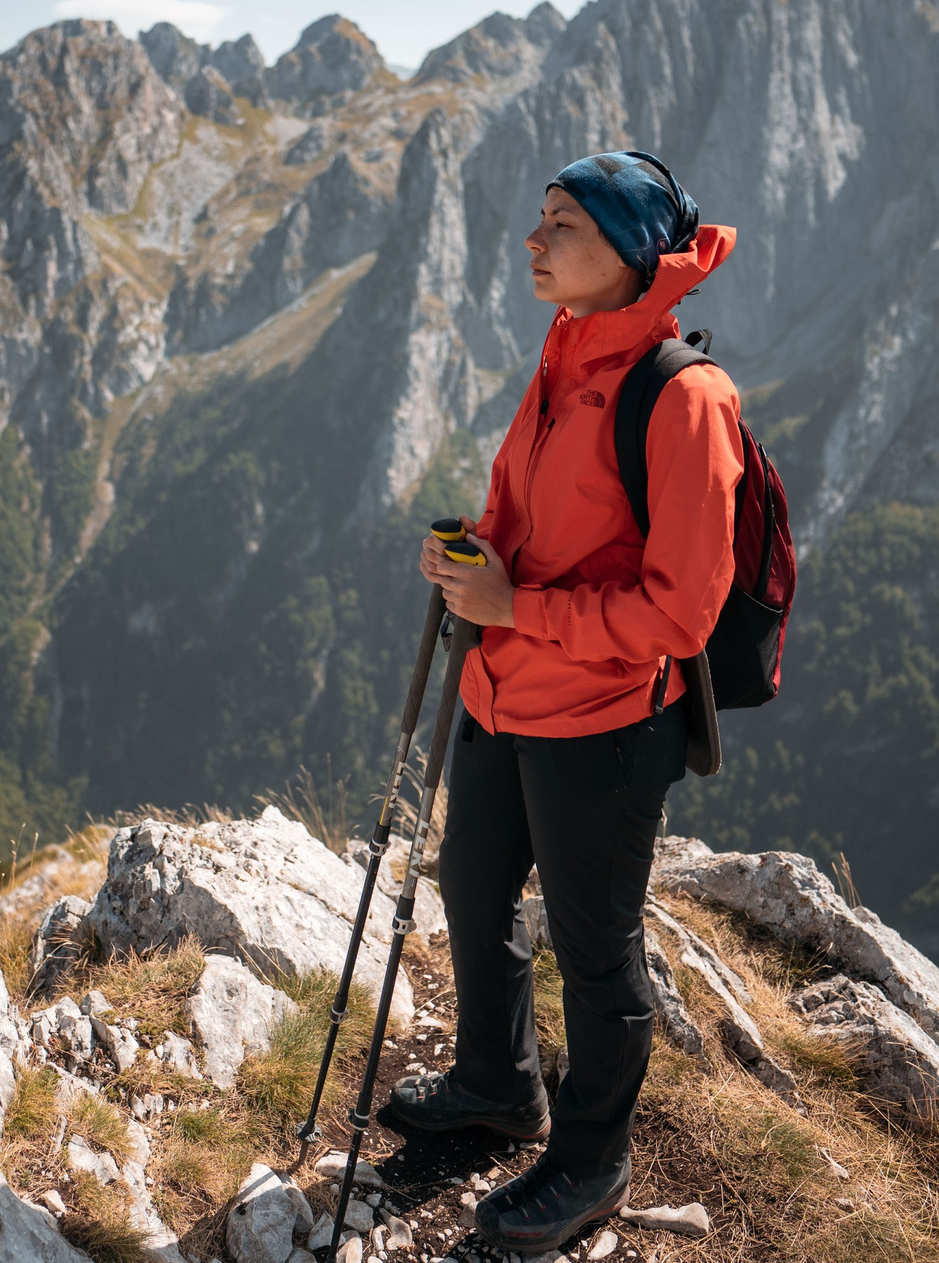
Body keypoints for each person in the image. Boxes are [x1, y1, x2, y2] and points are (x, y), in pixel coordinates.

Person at [387, 150, 744, 1255]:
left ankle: (592, 1165)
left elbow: (680, 617)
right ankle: (498, 1088)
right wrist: (477, 557)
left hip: (604, 724)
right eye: (539, 221)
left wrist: (514, 606)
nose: (535, 243)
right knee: (474, 885)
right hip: (501, 689)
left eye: (563, 227)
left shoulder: (685, 399)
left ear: (632, 254)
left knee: (597, 951)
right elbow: (536, 519)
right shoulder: (564, 350)